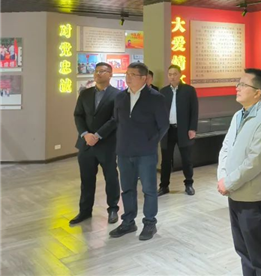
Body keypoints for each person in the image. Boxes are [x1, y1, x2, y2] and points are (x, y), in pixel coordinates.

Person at [217, 69, 261, 276]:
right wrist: (222, 178)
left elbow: (255, 161)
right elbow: (226, 148)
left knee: (259, 254)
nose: (238, 88)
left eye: (243, 85)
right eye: (238, 84)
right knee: (243, 250)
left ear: (258, 92)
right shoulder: (238, 115)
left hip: (253, 197)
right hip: (234, 193)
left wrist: (229, 183)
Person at [110, 62, 169, 241]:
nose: (128, 78)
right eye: (127, 74)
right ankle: (128, 222)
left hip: (146, 153)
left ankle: (149, 222)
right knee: (127, 188)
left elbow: (163, 125)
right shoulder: (120, 97)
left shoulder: (156, 98)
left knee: (149, 189)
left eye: (133, 75)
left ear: (144, 78)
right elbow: (116, 121)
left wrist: (150, 142)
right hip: (124, 151)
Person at [70, 62, 121, 226]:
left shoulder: (118, 95)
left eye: (103, 71)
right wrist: (85, 134)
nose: (98, 74)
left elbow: (115, 119)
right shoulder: (85, 93)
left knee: (111, 178)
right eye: (96, 71)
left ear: (110, 74)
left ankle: (113, 209)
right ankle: (85, 211)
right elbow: (78, 115)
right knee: (86, 180)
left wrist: (98, 135)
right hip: (86, 144)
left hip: (107, 144)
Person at [158, 65, 199, 196]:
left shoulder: (189, 90)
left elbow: (194, 111)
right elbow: (159, 112)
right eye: (170, 74)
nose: (172, 77)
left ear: (180, 74)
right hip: (167, 131)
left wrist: (192, 128)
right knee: (165, 160)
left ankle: (189, 184)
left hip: (184, 130)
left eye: (175, 74)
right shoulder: (163, 91)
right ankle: (164, 186)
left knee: (186, 159)